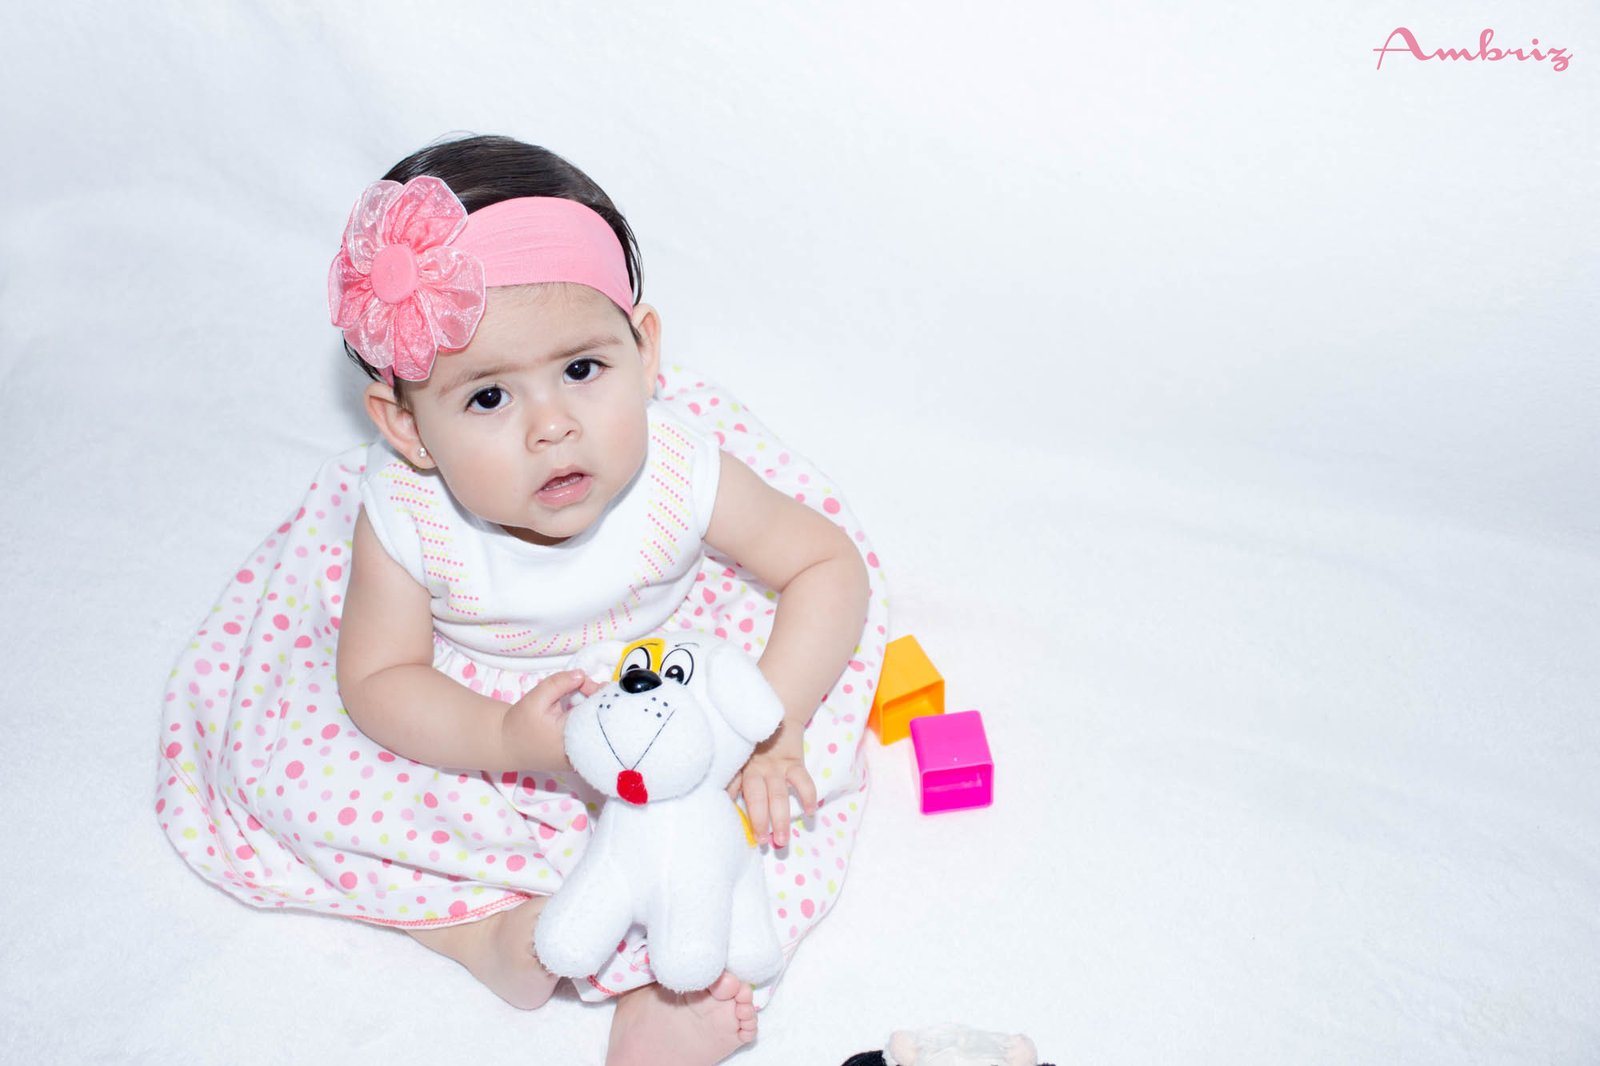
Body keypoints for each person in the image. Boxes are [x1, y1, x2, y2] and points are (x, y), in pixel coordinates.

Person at [156, 134, 888, 1066]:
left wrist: (767, 735)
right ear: (407, 427)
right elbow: (379, 679)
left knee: (754, 825)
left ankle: (670, 988)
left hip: (674, 670)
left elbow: (825, 566)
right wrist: (504, 738)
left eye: (582, 370)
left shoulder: (677, 472)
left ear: (644, 351)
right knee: (304, 794)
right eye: (489, 398)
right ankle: (486, 937)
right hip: (483, 708)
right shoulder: (413, 517)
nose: (553, 427)